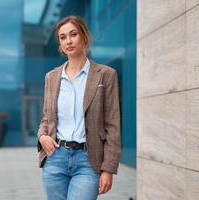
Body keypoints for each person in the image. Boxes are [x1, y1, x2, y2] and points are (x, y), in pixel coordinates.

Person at [37, 15, 121, 200]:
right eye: (63, 37)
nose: (68, 41)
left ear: (84, 37)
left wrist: (108, 169)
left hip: (88, 160)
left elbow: (113, 125)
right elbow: (46, 117)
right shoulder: (51, 77)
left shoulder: (106, 75)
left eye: (73, 34)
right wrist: (42, 136)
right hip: (55, 157)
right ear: (60, 43)